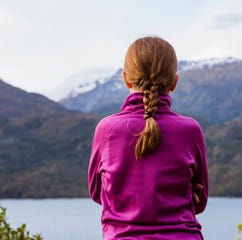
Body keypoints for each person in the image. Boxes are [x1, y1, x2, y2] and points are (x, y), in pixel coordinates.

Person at [88, 36, 208, 240]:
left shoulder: (107, 129)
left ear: (126, 79)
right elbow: (201, 202)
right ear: (174, 82)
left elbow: (96, 192)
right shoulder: (190, 130)